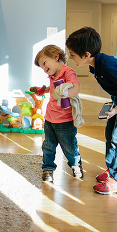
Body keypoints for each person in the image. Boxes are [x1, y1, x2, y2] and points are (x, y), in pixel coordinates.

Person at [66, 27, 117, 195]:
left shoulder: (108, 65)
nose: (70, 57)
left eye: (72, 54)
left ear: (86, 54)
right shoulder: (97, 64)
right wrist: (114, 104)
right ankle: (112, 171)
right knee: (110, 135)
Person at [34, 45, 83, 182]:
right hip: (50, 118)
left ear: (56, 57)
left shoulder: (68, 72)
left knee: (69, 147)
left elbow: (76, 87)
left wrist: (64, 94)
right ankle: (48, 168)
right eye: (41, 67)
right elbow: (53, 88)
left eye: (44, 64)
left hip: (65, 120)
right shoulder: (52, 75)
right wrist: (44, 90)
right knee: (48, 146)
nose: (44, 69)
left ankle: (76, 165)